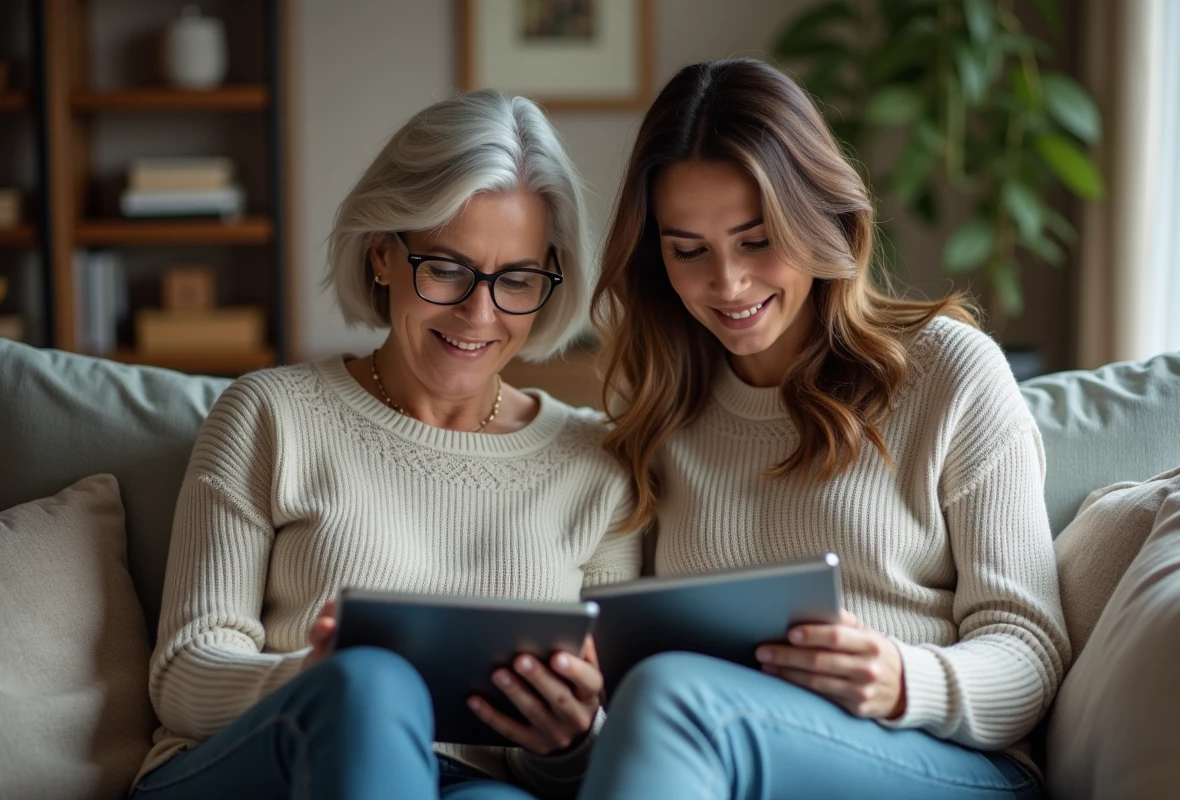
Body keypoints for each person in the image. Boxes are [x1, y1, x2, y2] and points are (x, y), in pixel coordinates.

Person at [578, 58, 1070, 800]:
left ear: (819, 219)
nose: (729, 283)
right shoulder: (656, 414)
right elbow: (612, 669)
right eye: (689, 251)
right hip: (729, 756)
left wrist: (902, 680)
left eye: (756, 239)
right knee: (661, 696)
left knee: (672, 700)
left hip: (942, 760)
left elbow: (1028, 650)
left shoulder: (949, 373)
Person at [130, 89, 640, 800]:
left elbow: (599, 752)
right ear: (381, 256)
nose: (479, 312)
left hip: (471, 782)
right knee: (370, 683)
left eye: (516, 279)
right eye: (447, 269)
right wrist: (313, 678)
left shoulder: (599, 467)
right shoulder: (271, 414)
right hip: (260, 768)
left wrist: (571, 739)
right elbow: (184, 675)